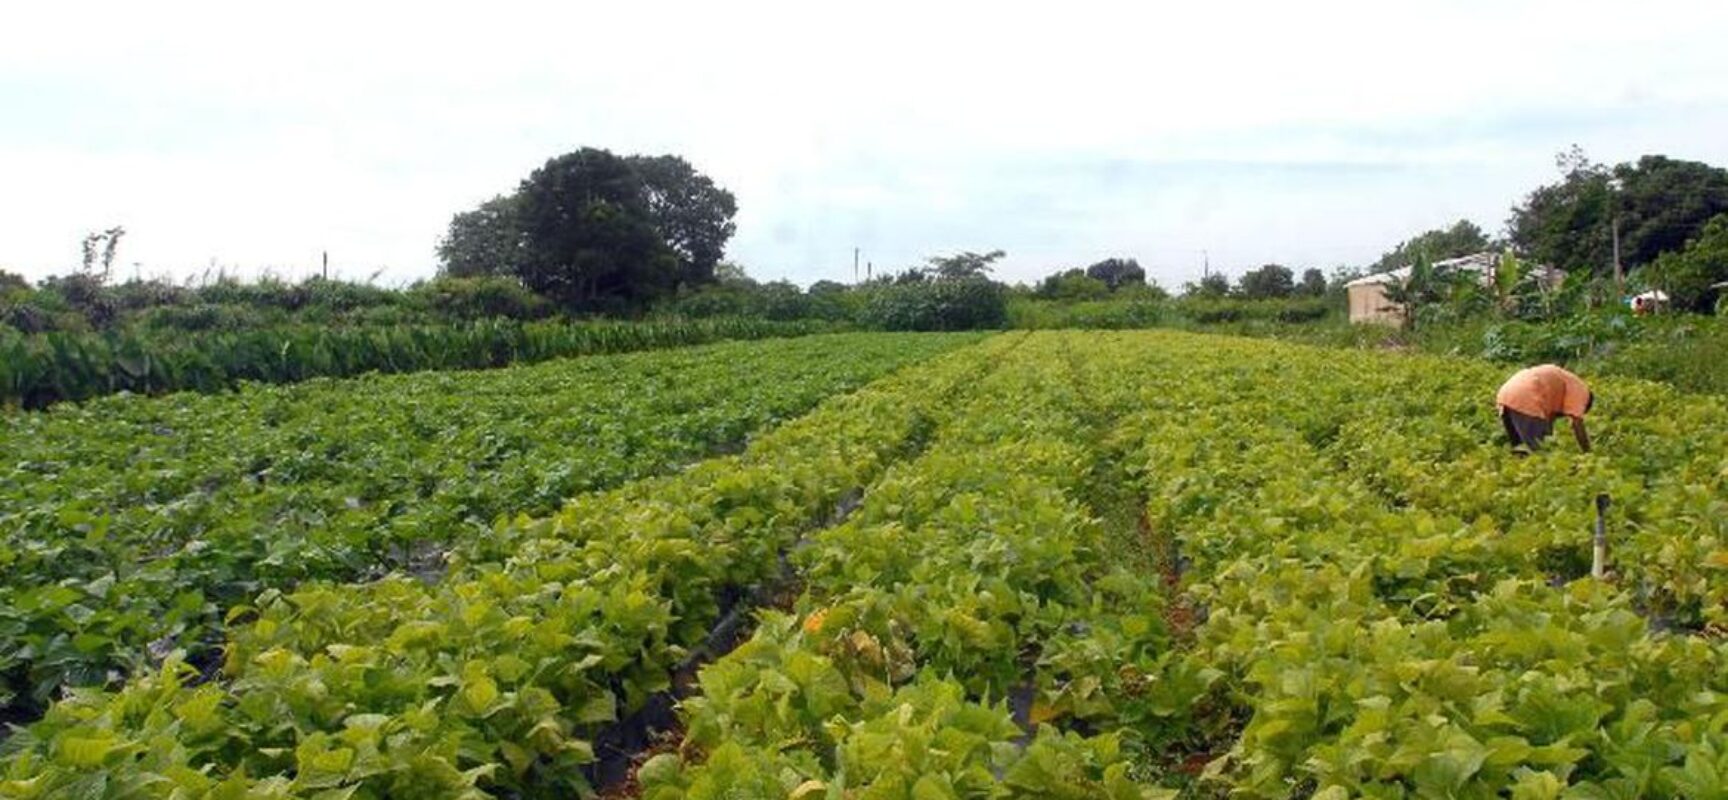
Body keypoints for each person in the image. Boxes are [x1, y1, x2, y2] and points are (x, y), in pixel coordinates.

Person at [1496, 364, 1593, 453]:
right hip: (1527, 396)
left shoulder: (1564, 382)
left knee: (1520, 451)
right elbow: (1577, 423)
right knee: (1541, 454)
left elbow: (1548, 421)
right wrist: (1587, 452)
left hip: (1506, 393)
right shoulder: (1581, 392)